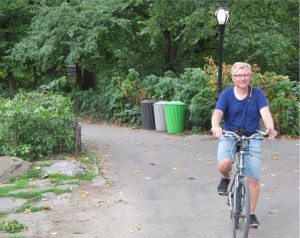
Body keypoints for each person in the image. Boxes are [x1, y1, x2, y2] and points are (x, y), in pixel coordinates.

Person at [211, 62, 277, 228]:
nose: (242, 78)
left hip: (252, 136)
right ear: (233, 77)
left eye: (245, 75)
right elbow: (217, 113)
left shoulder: (257, 94)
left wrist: (270, 128)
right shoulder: (226, 94)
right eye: (239, 75)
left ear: (250, 76)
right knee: (225, 163)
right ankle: (225, 178)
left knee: (253, 179)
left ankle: (251, 213)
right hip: (230, 135)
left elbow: (265, 113)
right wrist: (216, 126)